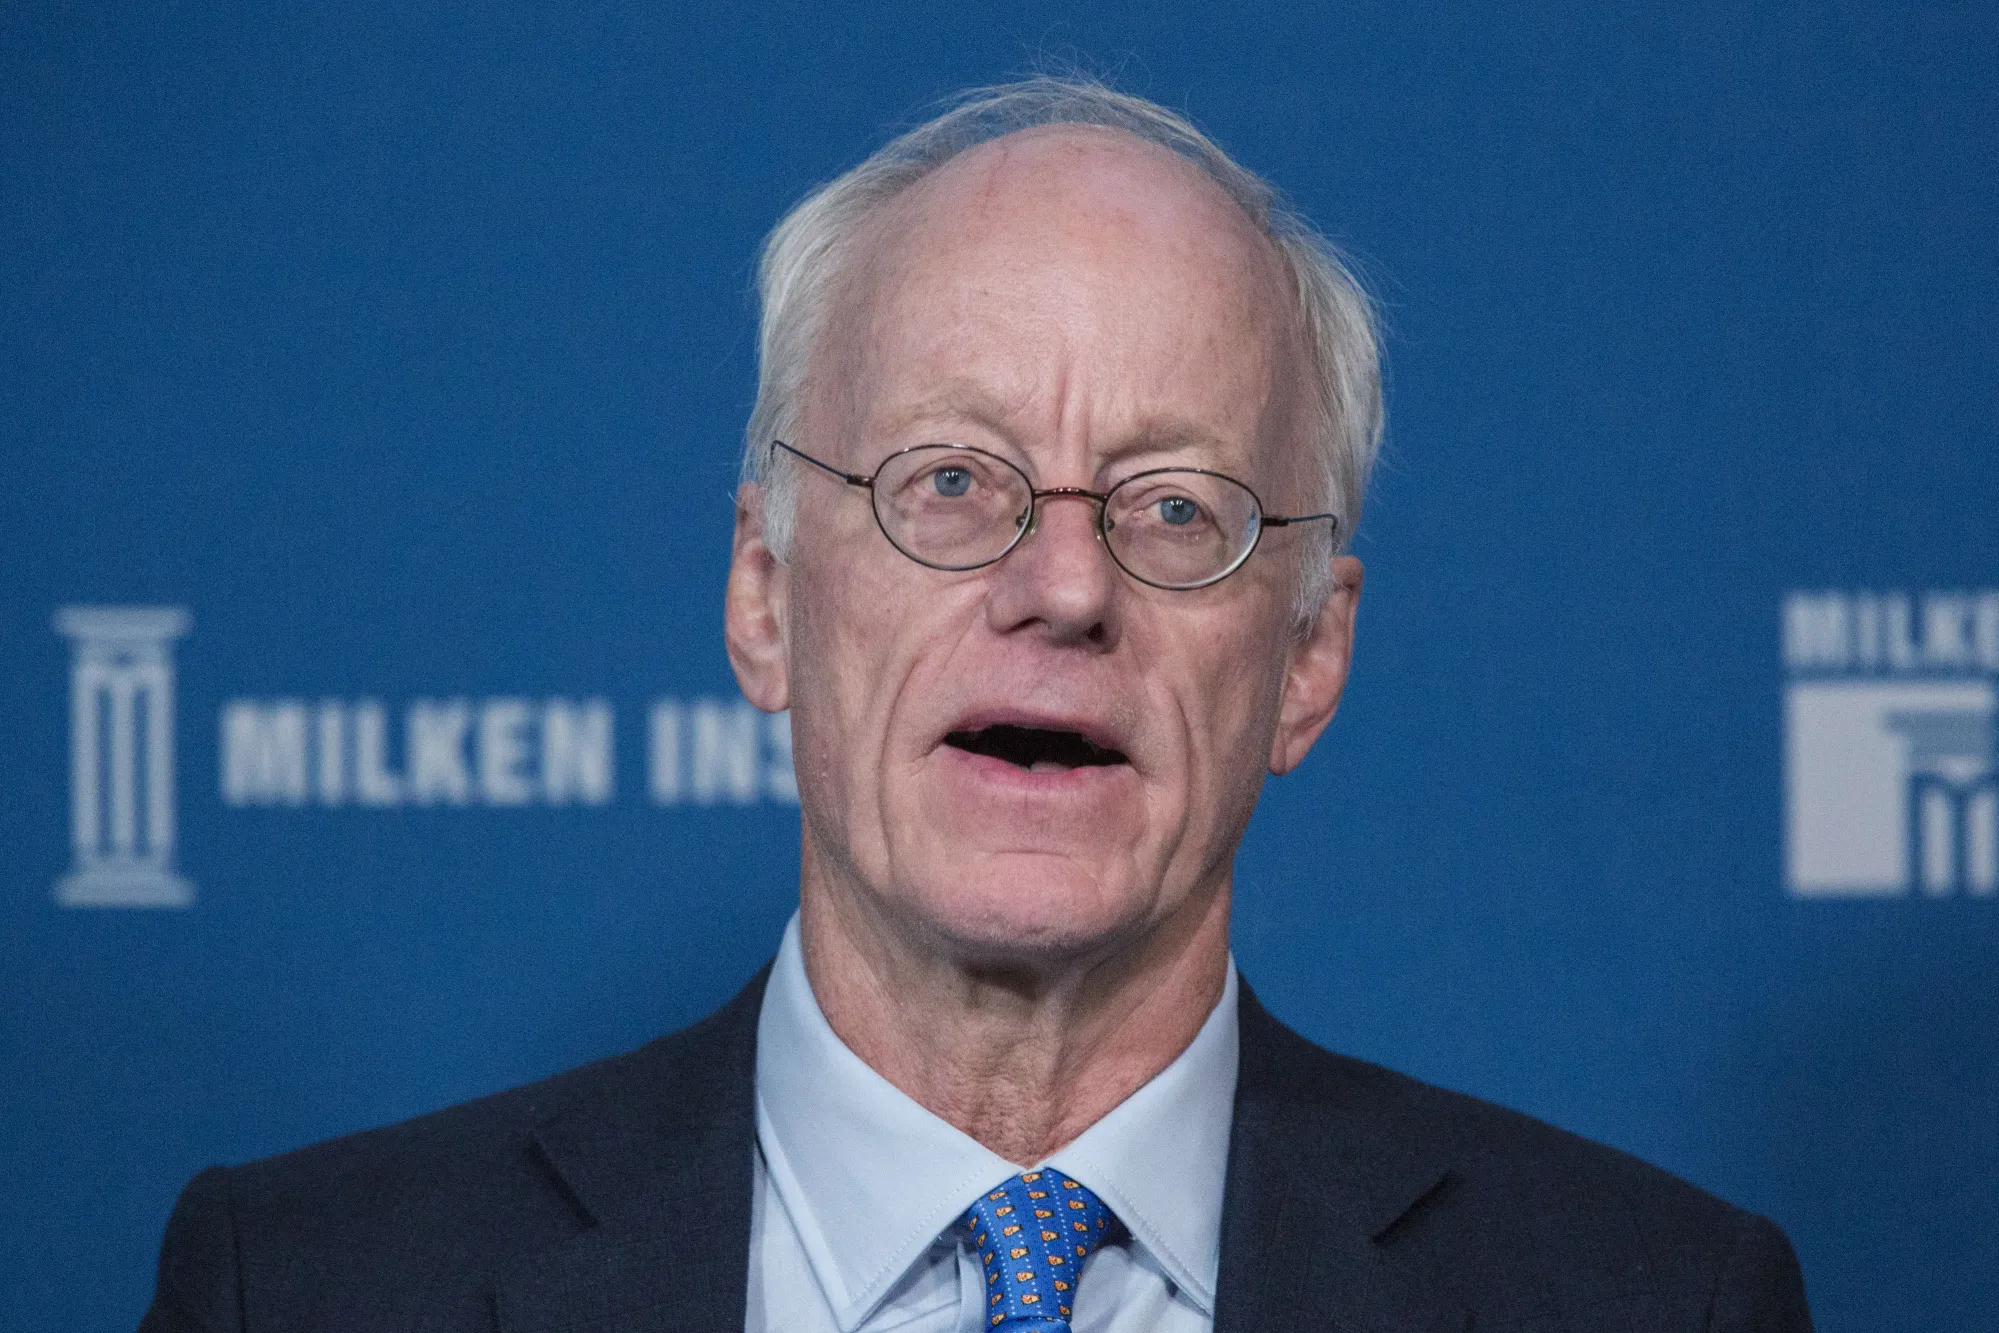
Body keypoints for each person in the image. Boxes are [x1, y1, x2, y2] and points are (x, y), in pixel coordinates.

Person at [140, 77, 1812, 1332]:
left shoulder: (1654, 1301)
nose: (1065, 586)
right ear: (766, 595)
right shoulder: (301, 1288)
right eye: (949, 481)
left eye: (1175, 509)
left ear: (1307, 658)